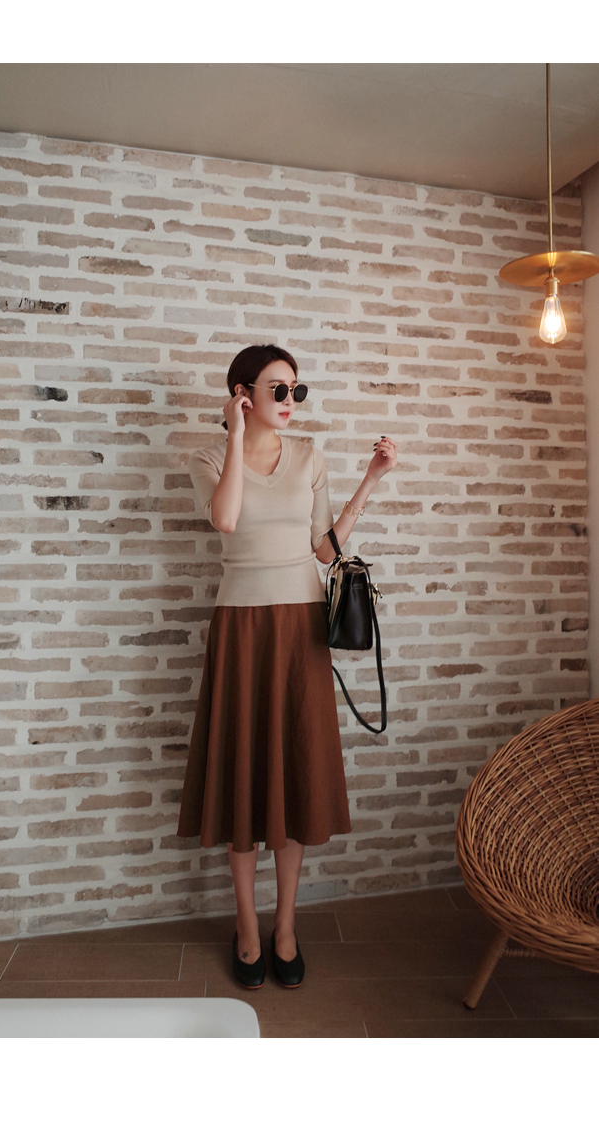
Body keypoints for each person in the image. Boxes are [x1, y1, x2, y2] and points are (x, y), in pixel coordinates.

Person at [176, 344, 398, 988]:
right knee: (245, 775)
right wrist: (235, 433)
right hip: (242, 628)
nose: (290, 401)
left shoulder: (309, 456)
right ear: (242, 394)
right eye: (277, 389)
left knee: (294, 773)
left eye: (296, 390)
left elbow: (324, 551)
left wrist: (370, 480)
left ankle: (286, 926)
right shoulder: (209, 458)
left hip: (301, 628)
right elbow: (225, 519)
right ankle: (246, 925)